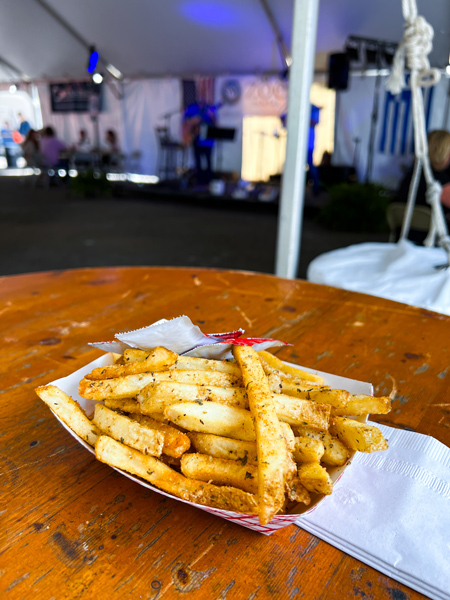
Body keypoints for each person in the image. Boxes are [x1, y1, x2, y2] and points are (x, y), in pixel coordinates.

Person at [394, 129, 450, 243]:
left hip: (404, 238)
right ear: (444, 153)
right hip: (429, 242)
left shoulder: (412, 175)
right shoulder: (440, 182)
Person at [182, 98, 217, 183]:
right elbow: (186, 121)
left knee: (208, 161)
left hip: (208, 141)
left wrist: (211, 116)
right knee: (198, 162)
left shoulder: (210, 109)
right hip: (197, 139)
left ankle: (209, 181)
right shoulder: (193, 108)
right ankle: (199, 181)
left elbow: (216, 124)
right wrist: (193, 121)